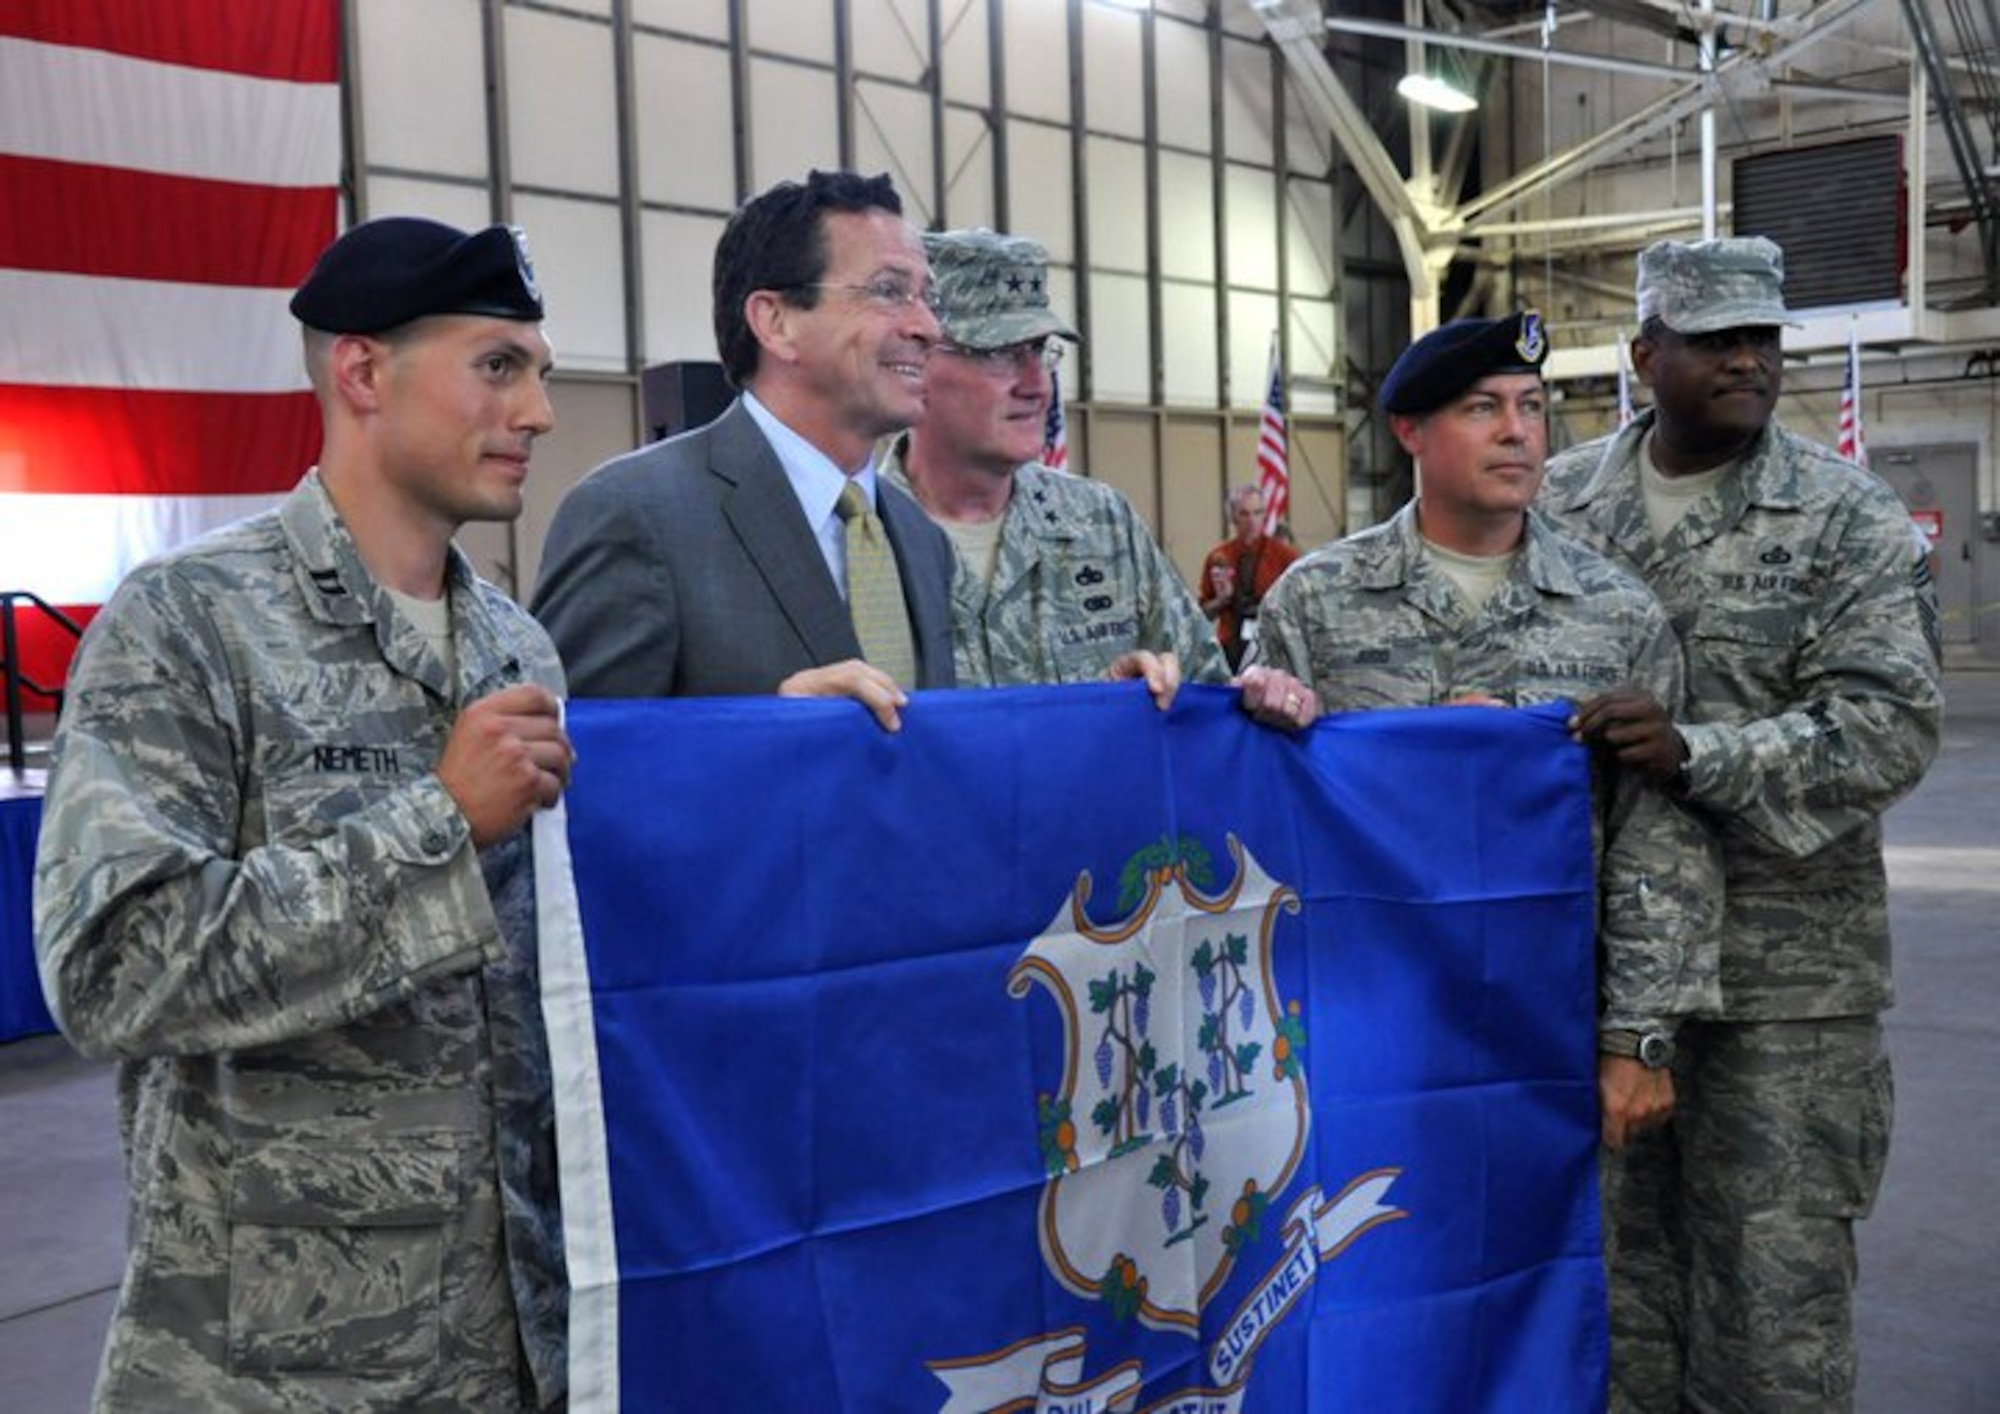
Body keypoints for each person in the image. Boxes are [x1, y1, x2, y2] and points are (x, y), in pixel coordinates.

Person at [33, 217, 574, 1410]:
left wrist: (782, 742)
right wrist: (436, 823)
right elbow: (113, 968)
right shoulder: (189, 624)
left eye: (538, 369)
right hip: (276, 1372)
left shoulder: (516, 647)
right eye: (498, 364)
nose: (536, 409)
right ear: (363, 371)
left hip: (511, 1350)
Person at [1543, 237, 1943, 1413]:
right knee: (1612, 1298)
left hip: (1784, 987)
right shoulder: (1557, 503)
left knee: (1774, 1313)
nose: (1745, 359)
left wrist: (1696, 752)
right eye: (1714, 338)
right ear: (1642, 354)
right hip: (1595, 976)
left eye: (1762, 337)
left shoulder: (1842, 516)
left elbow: (1888, 727)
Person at [1255, 310, 1722, 1158]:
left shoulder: (1614, 613)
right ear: (1410, 431)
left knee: (1564, 1276)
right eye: (1481, 408)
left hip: (1551, 1022)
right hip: (1360, 1019)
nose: (1517, 433)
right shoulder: (1315, 603)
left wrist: (1639, 1037)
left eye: (1532, 406)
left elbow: (1658, 844)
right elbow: (1266, 813)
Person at [532, 169, 955, 730]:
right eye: (888, 290)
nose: (927, 326)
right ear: (775, 321)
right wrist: (761, 737)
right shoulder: (637, 516)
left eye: (927, 297)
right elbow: (576, 768)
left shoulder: (921, 540)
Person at [881, 227, 1314, 728]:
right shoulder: (859, 536)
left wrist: (1261, 697)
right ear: (919, 360)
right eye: (999, 353)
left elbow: (1207, 701)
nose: (1036, 384)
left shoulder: (1100, 524)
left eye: (1040, 350)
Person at [1199, 482, 1299, 672]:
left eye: (1258, 512)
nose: (1252, 520)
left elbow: (1299, 605)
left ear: (1265, 515)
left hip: (1272, 648)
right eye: (1244, 514)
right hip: (1230, 647)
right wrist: (1221, 600)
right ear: (1233, 518)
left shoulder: (1285, 555)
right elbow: (1202, 615)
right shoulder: (1218, 557)